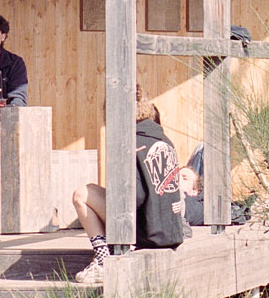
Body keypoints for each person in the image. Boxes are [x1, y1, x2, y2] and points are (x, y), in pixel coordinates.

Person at [71, 96, 187, 262]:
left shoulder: (129, 144)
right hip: (171, 231)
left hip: (147, 233)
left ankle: (103, 258)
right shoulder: (164, 140)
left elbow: (135, 198)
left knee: (82, 194)